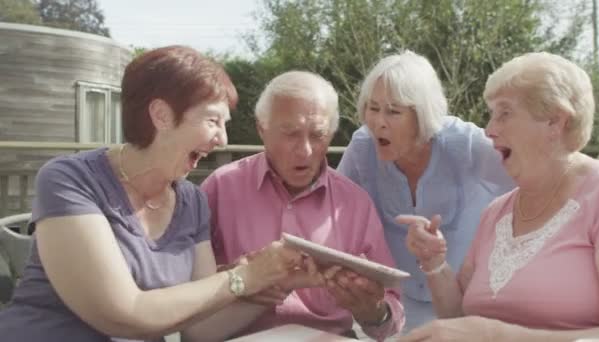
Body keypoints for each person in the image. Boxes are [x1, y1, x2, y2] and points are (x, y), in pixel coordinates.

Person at [0, 46, 307, 342]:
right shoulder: (69, 179)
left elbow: (199, 329)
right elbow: (123, 314)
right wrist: (245, 277)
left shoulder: (192, 201)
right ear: (161, 115)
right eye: (213, 121)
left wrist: (272, 282)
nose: (223, 140)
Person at [401, 52, 599, 341]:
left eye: (505, 113)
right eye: (491, 114)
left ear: (555, 122)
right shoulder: (496, 212)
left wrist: (497, 335)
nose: (489, 130)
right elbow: (459, 321)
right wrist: (434, 263)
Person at [200, 70, 405, 340]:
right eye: (291, 133)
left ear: (331, 134)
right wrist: (242, 277)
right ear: (262, 128)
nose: (305, 150)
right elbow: (190, 289)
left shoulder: (354, 203)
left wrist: (373, 312)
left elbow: (391, 311)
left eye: (318, 134)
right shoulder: (220, 188)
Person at [337, 51, 514, 330]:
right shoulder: (362, 148)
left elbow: (534, 181)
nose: (378, 122)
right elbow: (333, 215)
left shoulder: (468, 146)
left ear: (422, 115)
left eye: (393, 111)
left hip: (470, 308)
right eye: (372, 107)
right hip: (397, 311)